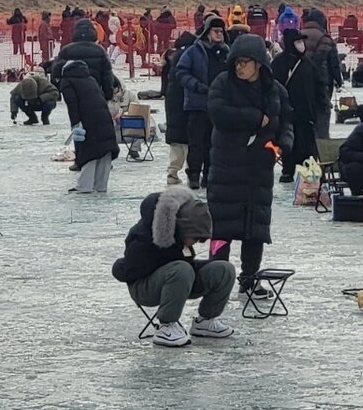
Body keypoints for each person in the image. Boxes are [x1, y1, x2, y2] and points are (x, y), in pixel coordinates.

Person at [206, 33, 290, 296]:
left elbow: (286, 121)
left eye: (245, 62)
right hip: (226, 169)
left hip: (258, 169)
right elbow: (218, 113)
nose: (239, 67)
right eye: (236, 62)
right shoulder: (223, 84)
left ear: (258, 64)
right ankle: (215, 278)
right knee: (221, 228)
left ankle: (250, 279)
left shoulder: (275, 90)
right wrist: (254, 117)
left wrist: (283, 145)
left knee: (255, 229)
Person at [112, 188, 237, 347]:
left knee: (223, 269)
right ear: (182, 229)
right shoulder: (143, 238)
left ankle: (205, 320)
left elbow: (186, 264)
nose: (195, 243)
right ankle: (167, 325)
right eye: (194, 238)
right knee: (181, 269)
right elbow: (127, 270)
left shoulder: (180, 241)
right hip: (143, 288)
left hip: (177, 280)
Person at [174, 13, 229, 190]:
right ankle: (194, 175)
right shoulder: (194, 51)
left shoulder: (226, 52)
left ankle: (209, 175)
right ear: (207, 32)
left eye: (221, 31)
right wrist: (196, 86)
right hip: (197, 104)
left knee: (214, 143)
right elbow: (181, 72)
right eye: (216, 31)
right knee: (196, 143)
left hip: (218, 105)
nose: (219, 34)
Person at [56, 59, 118, 194]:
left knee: (89, 151)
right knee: (104, 150)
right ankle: (101, 185)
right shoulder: (90, 79)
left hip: (88, 119)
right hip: (104, 118)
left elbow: (72, 104)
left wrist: (75, 124)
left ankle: (84, 185)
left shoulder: (67, 82)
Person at [271, 28, 321, 183]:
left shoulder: (308, 63)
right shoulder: (279, 63)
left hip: (306, 114)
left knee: (306, 145)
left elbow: (318, 86)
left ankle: (307, 174)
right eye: (298, 41)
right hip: (287, 113)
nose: (301, 45)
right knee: (289, 143)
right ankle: (288, 171)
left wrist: (319, 106)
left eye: (302, 41)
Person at [300, 8, 343, 138]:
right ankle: (322, 144)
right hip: (322, 83)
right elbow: (334, 64)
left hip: (300, 82)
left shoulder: (297, 36)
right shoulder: (325, 38)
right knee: (322, 113)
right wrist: (339, 81)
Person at [162, 31, 196, 185]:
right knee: (190, 144)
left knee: (176, 145)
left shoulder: (172, 61)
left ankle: (172, 173)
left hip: (173, 108)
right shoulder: (191, 59)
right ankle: (193, 173)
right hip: (187, 109)